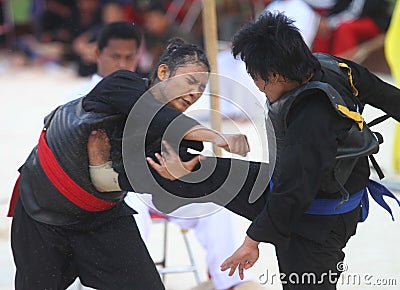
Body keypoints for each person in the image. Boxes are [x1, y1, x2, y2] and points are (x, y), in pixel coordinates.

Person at [8, 23, 250, 289]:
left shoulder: (175, 140)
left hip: (102, 217)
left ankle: (232, 284)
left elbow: (154, 176)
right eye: (189, 82)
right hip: (43, 210)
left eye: (201, 87)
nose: (194, 93)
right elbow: (148, 112)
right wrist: (217, 136)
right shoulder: (121, 83)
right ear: (162, 72)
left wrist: (174, 174)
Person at [217, 12, 400, 289]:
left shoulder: (312, 117)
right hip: (300, 194)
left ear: (274, 74)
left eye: (256, 78)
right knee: (205, 170)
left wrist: (252, 241)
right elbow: (390, 97)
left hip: (319, 223)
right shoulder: (334, 65)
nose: (256, 86)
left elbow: (294, 189)